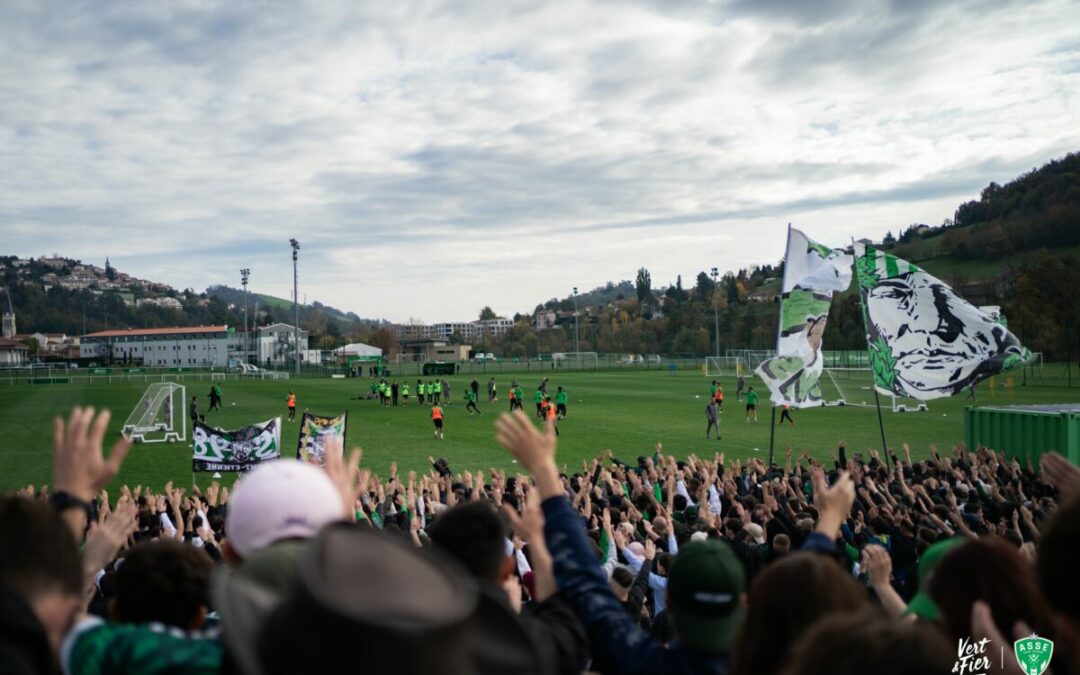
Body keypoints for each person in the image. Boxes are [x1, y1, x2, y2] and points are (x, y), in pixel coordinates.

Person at [427, 502, 588, 675]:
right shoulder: (533, 650)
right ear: (508, 567)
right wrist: (536, 539)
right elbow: (568, 636)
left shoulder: (414, 642)